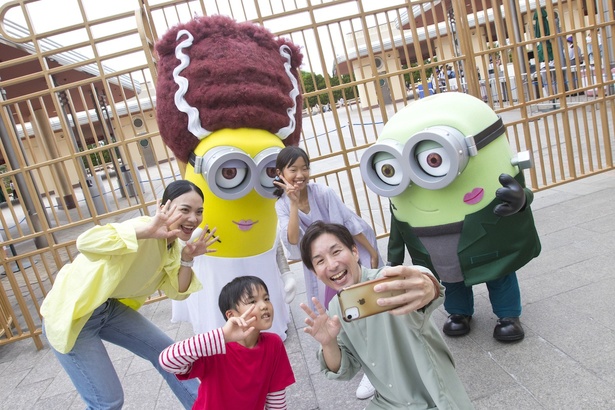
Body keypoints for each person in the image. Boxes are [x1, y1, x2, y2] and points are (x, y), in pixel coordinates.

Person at [40, 180, 219, 410]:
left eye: (199, 212)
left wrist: (187, 258)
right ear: (164, 207)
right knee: (108, 402)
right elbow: (85, 242)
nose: (193, 218)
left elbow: (179, 291)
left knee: (171, 357)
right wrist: (146, 232)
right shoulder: (142, 227)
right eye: (185, 209)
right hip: (72, 314)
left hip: (106, 308)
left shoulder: (173, 247)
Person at [299, 222, 474, 410]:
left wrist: (428, 285)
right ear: (314, 272)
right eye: (320, 261)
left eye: (336, 252)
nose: (332, 265)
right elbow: (344, 370)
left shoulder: (386, 281)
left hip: (433, 396)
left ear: (354, 251)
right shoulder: (335, 309)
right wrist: (328, 343)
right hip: (387, 402)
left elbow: (416, 280)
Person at [274, 146, 383, 400]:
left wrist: (371, 252)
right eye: (293, 169)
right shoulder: (281, 205)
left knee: (365, 304)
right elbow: (291, 243)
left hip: (347, 252)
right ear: (280, 173)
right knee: (338, 311)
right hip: (323, 266)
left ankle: (374, 366)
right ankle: (359, 355)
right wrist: (292, 204)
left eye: (305, 167)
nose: (301, 174)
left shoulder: (322, 192)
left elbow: (346, 226)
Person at [159, 276, 295, 409]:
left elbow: (276, 399)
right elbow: (167, 361)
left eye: (266, 299)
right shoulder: (215, 347)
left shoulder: (273, 344)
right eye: (252, 301)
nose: (264, 305)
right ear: (231, 315)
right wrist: (222, 335)